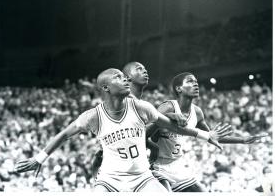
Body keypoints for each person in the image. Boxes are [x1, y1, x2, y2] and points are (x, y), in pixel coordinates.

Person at [15, 68, 230, 192]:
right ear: (106, 88)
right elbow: (63, 134)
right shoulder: (93, 116)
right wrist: (40, 158)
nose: (125, 79)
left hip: (142, 177)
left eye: (124, 76)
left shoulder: (140, 107)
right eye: (118, 77)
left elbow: (173, 127)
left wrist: (205, 135)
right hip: (110, 180)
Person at [148, 72, 268, 192]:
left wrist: (242, 140)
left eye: (196, 81)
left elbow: (212, 136)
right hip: (158, 165)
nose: (196, 84)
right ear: (179, 88)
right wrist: (153, 145)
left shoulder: (197, 112)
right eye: (190, 81)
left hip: (177, 166)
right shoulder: (168, 106)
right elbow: (146, 129)